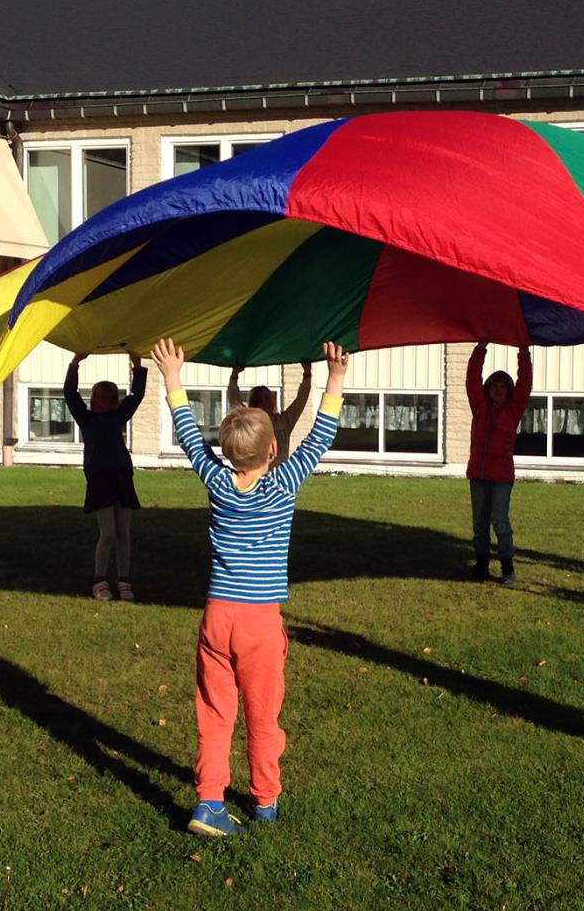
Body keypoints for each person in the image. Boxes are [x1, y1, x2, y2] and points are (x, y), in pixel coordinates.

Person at [153, 337, 348, 837]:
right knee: (263, 717)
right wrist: (335, 377)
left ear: (225, 451)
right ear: (274, 449)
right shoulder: (284, 483)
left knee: (215, 713)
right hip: (260, 622)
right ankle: (264, 799)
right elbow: (321, 433)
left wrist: (173, 377)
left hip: (217, 617)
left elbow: (187, 435)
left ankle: (209, 802)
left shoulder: (216, 481)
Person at [66, 352, 147, 600]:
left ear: (113, 401)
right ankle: (99, 581)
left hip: (122, 475)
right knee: (108, 533)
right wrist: (75, 364)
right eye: (98, 396)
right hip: (99, 478)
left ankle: (124, 581)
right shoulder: (85, 418)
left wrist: (138, 366)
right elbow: (70, 394)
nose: (101, 401)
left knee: (124, 533)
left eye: (107, 397)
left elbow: (136, 396)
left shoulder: (117, 416)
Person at [465, 342, 532, 583]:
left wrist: (523, 353)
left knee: (500, 521)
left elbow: (525, 384)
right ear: (489, 388)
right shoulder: (479, 407)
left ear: (509, 391)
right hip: (478, 475)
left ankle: (507, 567)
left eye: (504, 386)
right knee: (479, 523)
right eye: (495, 384)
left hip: (501, 477)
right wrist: (481, 347)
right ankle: (481, 565)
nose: (499, 389)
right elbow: (472, 377)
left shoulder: (513, 410)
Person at [227, 363, 313, 465]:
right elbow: (234, 401)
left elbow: (300, 400)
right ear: (255, 403)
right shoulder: (249, 421)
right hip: (257, 476)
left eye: (269, 398)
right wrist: (234, 376)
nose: (267, 403)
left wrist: (307, 374)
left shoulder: (284, 421)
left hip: (280, 476)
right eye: (262, 400)